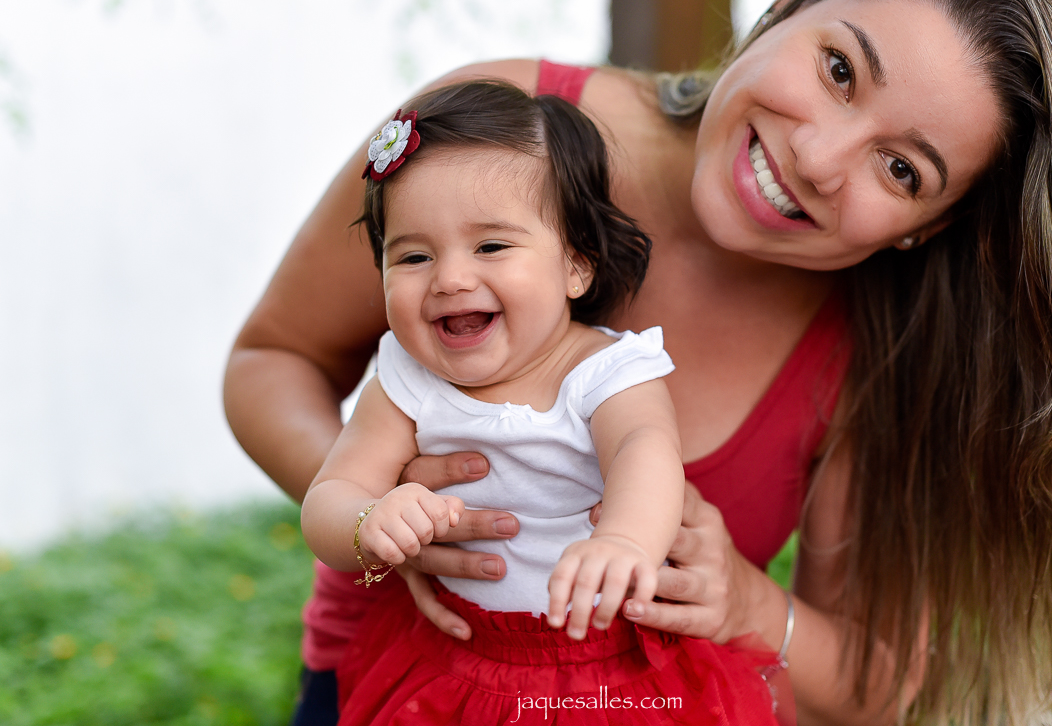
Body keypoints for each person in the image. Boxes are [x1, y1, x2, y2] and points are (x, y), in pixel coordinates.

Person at [223, 0, 1052, 724]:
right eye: (839, 69)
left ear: (926, 227)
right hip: (388, 691)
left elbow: (876, 686)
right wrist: (382, 517)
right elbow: (274, 361)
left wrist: (746, 605)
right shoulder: (496, 138)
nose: (817, 158)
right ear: (786, 5)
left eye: (901, 169)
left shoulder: (881, 354)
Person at [299, 79, 782, 724]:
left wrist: (626, 542)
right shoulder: (407, 379)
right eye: (412, 256)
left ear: (575, 266)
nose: (449, 278)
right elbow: (330, 496)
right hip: (458, 661)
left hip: (608, 672)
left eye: (492, 245)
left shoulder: (605, 371)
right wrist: (366, 522)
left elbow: (645, 451)